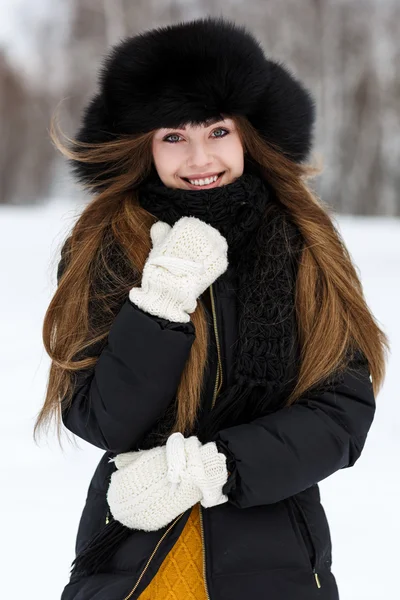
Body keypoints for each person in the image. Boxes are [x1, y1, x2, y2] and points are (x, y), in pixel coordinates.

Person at [35, 16, 389, 600]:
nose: (200, 158)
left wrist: (214, 468)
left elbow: (342, 412)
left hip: (275, 557)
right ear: (144, 146)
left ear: (248, 135)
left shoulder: (304, 244)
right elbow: (101, 416)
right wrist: (162, 299)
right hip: (133, 557)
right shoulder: (104, 246)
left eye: (217, 132)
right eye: (173, 137)